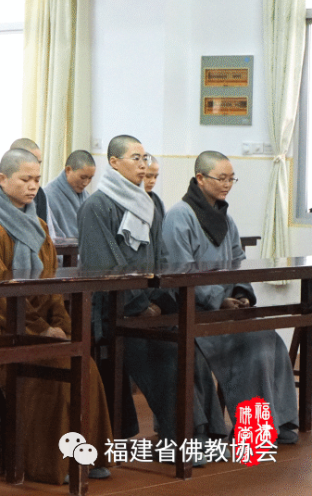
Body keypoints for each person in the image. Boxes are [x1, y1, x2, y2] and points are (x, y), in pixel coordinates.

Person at [0, 148, 111, 484]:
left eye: (37, 180)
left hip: (42, 326)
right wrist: (38, 331)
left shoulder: (39, 225)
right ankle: (48, 463)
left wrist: (60, 326)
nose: (32, 186)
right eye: (25, 179)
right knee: (50, 377)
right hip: (1, 330)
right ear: (1, 179)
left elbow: (51, 285)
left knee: (87, 365)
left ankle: (86, 455)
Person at [77, 134, 226, 446]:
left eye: (145, 158)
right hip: (114, 313)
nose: (143, 165)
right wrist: (139, 304)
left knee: (191, 351)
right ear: (114, 162)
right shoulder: (96, 206)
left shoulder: (150, 204)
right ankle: (184, 439)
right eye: (135, 158)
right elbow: (104, 267)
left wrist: (161, 301)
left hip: (148, 308)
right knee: (170, 357)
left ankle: (209, 432)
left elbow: (160, 260)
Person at [162, 150, 298, 444]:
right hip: (194, 311)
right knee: (251, 345)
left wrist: (240, 294)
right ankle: (252, 429)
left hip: (224, 307)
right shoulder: (178, 217)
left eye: (231, 179)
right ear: (200, 178)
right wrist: (217, 300)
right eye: (220, 178)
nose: (227, 184)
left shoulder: (227, 219)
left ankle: (278, 420)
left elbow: (238, 262)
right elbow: (181, 272)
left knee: (269, 338)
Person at [9, 138, 58, 238]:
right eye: (32, 161)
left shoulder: (40, 193)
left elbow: (50, 235)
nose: (37, 167)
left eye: (39, 163)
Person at [43, 149, 95, 238]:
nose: (86, 183)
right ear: (68, 170)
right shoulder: (48, 195)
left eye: (90, 178)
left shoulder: (86, 196)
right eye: (83, 177)